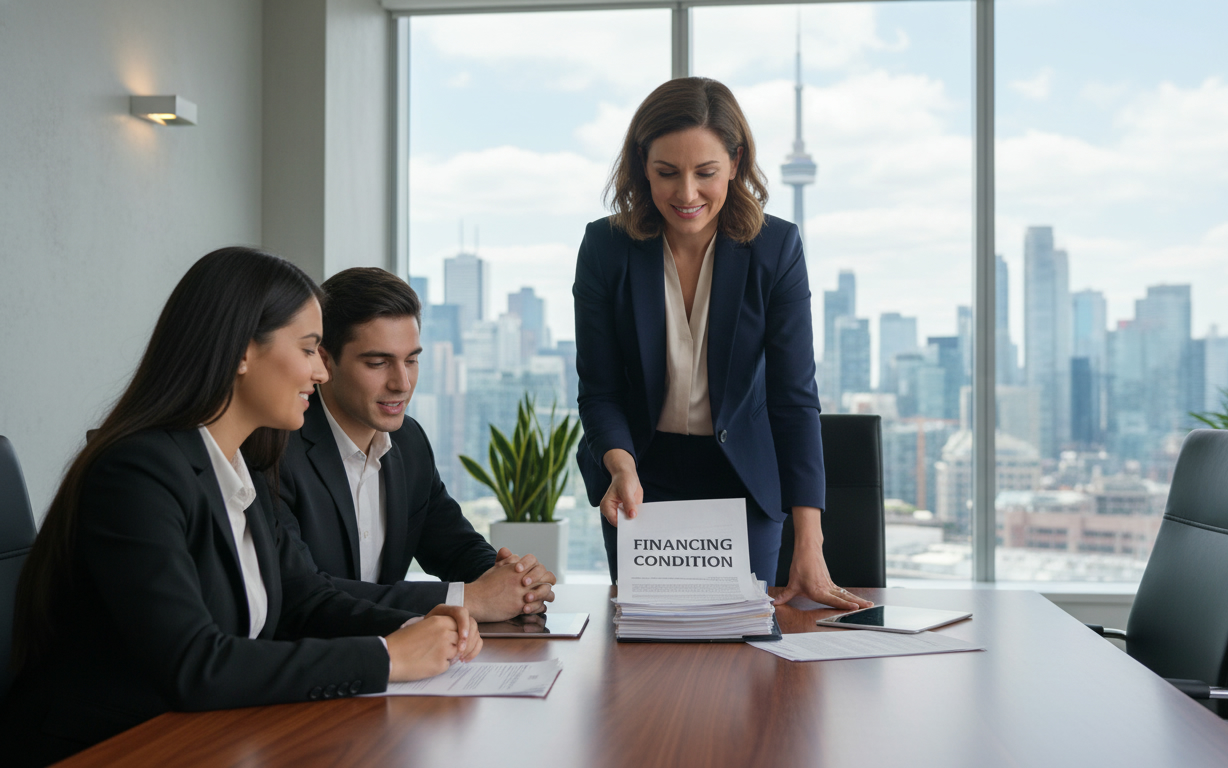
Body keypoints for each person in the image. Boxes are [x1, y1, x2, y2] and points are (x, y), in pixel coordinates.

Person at [2, 248, 482, 767]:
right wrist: (387, 657)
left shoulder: (241, 466)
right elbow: (195, 663)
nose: (320, 373)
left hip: (212, 740)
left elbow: (305, 599)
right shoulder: (136, 474)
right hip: (111, 751)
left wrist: (414, 626)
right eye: (308, 349)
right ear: (240, 353)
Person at [573, 77, 875, 610]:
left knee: (745, 643)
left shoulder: (775, 248)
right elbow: (600, 390)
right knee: (649, 643)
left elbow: (794, 398)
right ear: (643, 164)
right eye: (667, 172)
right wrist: (620, 468)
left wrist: (810, 542)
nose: (686, 194)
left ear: (735, 163)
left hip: (741, 474)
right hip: (639, 470)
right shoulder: (605, 247)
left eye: (705, 173)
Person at [274, 267, 556, 621]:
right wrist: (470, 599)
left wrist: (517, 582)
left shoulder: (409, 441)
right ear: (326, 360)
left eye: (412, 360)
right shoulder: (277, 451)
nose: (402, 383)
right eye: (378, 363)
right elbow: (302, 594)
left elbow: (455, 546)